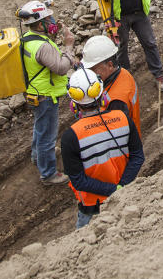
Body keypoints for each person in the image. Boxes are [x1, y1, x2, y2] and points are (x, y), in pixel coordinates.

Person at [61, 65, 143, 229]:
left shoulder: (71, 136)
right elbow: (138, 156)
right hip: (127, 195)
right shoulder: (122, 118)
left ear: (74, 105)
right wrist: (121, 187)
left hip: (93, 207)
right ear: (102, 96)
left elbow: (78, 180)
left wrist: (112, 189)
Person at [18, 0, 77, 185]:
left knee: (40, 128)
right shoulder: (42, 46)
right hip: (45, 96)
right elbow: (60, 68)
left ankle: (38, 156)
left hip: (35, 93)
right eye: (48, 18)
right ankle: (48, 173)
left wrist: (54, 33)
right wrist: (68, 46)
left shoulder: (29, 39)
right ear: (40, 23)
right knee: (47, 136)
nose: (52, 20)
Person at [80, 35, 141, 134]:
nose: (91, 73)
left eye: (94, 69)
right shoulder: (122, 73)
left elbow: (114, 134)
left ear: (110, 65)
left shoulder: (117, 101)